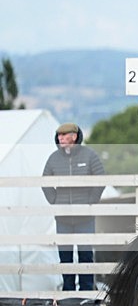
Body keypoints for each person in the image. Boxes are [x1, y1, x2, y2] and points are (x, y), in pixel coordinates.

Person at [41, 122, 106, 291]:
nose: (60, 138)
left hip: (85, 217)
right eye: (59, 136)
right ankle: (68, 291)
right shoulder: (53, 158)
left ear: (74, 136)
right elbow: (45, 181)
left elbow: (101, 178)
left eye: (64, 135)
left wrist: (91, 200)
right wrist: (55, 201)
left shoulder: (89, 155)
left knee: (85, 254)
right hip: (62, 217)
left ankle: (86, 290)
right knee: (65, 256)